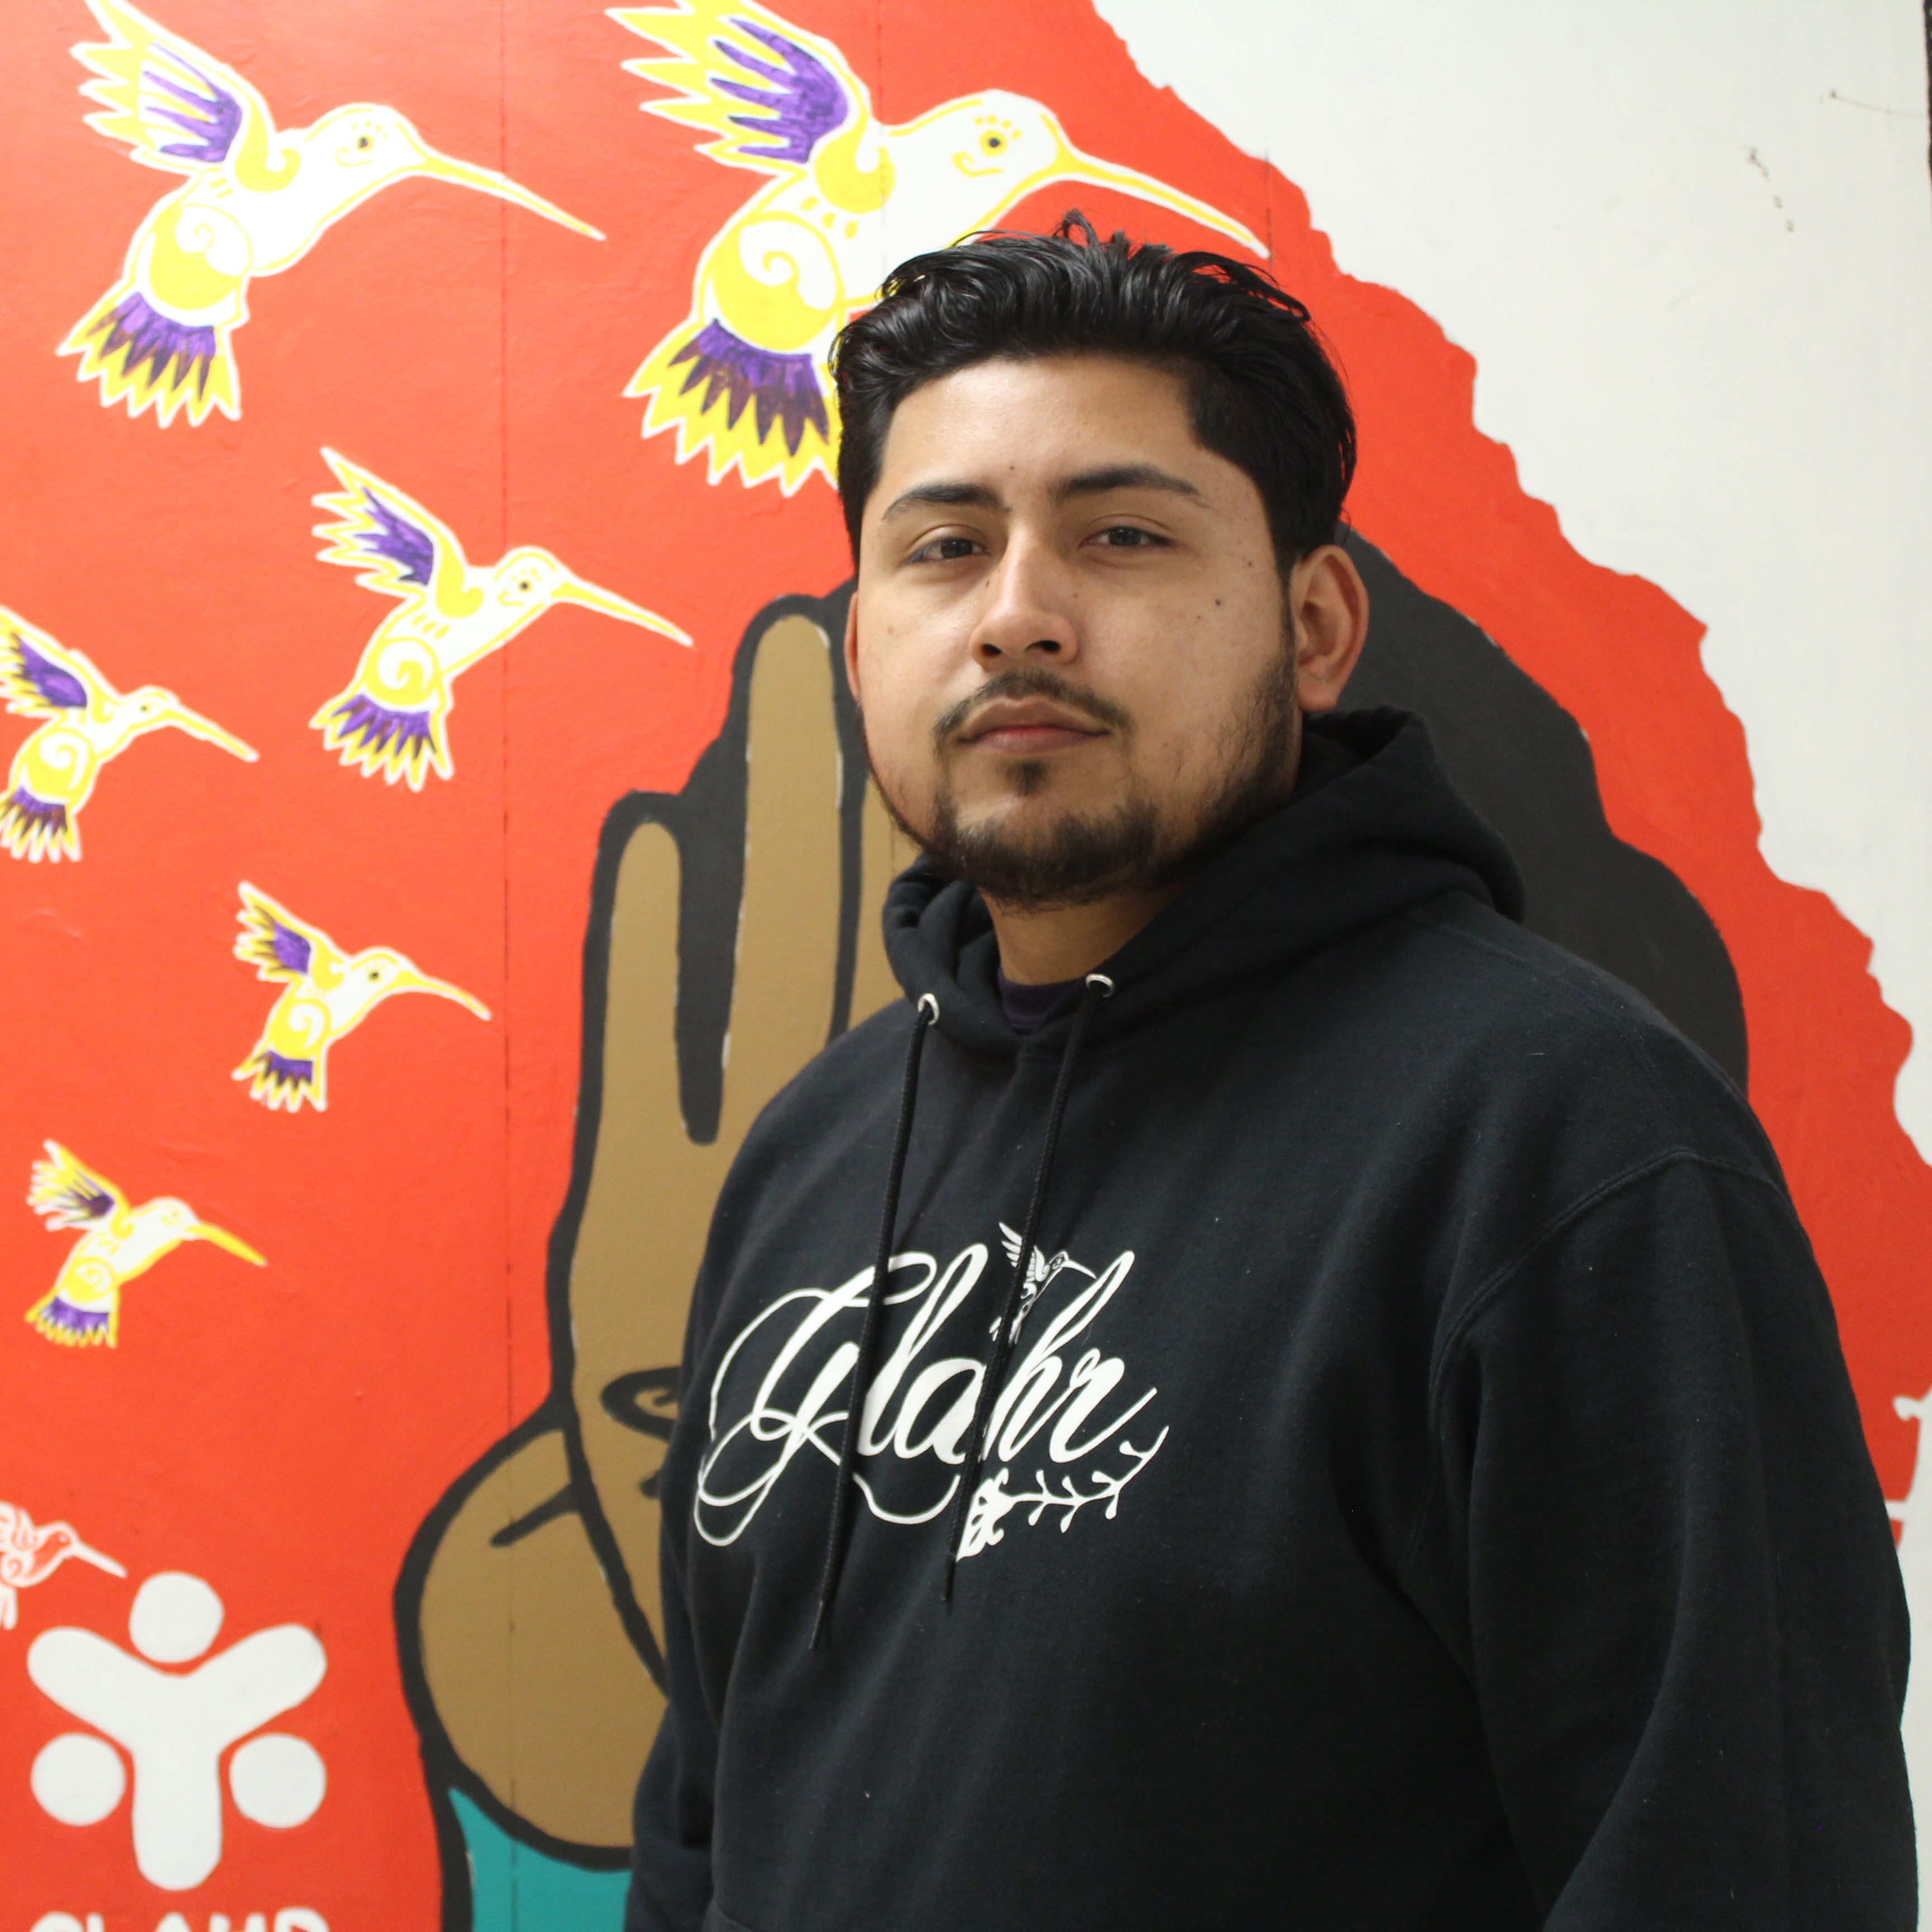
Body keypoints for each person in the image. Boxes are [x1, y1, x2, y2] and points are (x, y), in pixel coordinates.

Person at [626, 217, 1912, 1931]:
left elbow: (1738, 1868)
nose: (1018, 617)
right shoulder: (820, 1150)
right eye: (944, 547)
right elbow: (708, 1828)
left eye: (1123, 535)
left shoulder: (1562, 1139)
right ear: (863, 645)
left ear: (1313, 627)